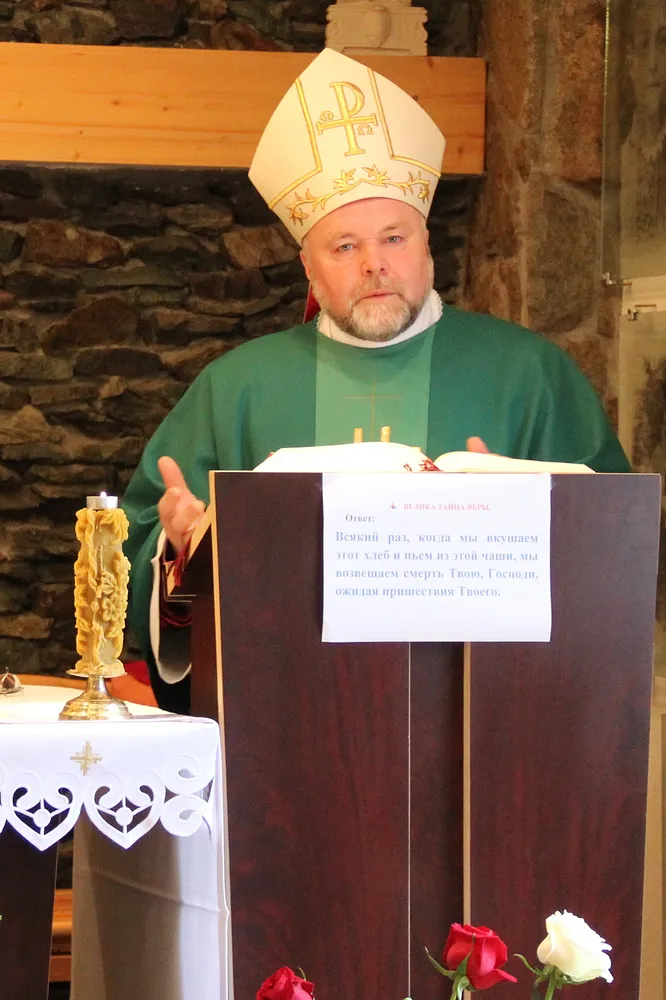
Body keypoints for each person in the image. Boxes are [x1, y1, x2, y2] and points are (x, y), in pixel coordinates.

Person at [123, 48, 630, 713]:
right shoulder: (236, 388)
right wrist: (179, 555)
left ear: (426, 246)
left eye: (393, 238)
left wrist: (524, 514)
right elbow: (142, 551)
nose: (373, 265)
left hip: (492, 720)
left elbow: (616, 551)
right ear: (309, 267)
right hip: (287, 718)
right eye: (345, 246)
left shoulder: (528, 374)